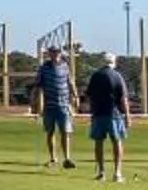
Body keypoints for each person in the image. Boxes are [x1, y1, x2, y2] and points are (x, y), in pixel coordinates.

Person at [83, 52, 132, 182]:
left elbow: (89, 96)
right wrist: (127, 116)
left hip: (98, 113)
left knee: (98, 142)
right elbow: (123, 98)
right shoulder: (117, 76)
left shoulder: (95, 76)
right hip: (113, 114)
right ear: (113, 62)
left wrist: (92, 111)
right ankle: (117, 173)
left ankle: (101, 172)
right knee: (117, 141)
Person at [33, 47, 76, 170]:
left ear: (60, 53)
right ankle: (53, 158)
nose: (55, 54)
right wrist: (35, 103)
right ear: (49, 54)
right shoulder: (44, 68)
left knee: (65, 131)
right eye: (52, 52)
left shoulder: (65, 66)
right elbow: (38, 86)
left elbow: (70, 82)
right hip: (49, 105)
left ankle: (67, 158)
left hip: (64, 105)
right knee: (50, 131)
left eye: (57, 52)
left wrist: (75, 96)